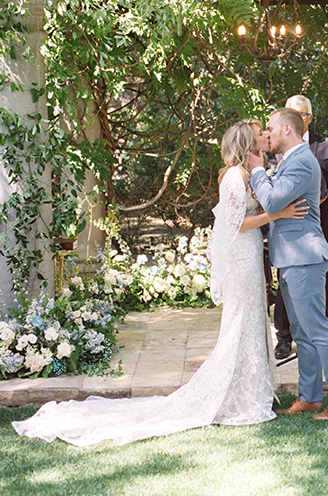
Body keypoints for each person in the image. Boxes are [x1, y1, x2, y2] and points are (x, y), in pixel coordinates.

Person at [12, 119, 308, 446]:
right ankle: (239, 398)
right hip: (241, 257)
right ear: (243, 143)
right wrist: (276, 215)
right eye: (257, 136)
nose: (263, 138)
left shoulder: (246, 172)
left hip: (250, 255)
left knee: (252, 322)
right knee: (242, 323)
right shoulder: (235, 177)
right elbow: (238, 225)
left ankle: (252, 394)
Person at [248, 108, 328, 420]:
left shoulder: (300, 161)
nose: (267, 134)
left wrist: (257, 171)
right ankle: (309, 397)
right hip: (291, 257)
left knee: (318, 329)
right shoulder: (289, 161)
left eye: (270, 128)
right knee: (303, 333)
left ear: (287, 129)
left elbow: (272, 202)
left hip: (305, 257)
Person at [273, 95, 328, 360]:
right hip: (289, 224)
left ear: (310, 118)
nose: (297, 118)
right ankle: (284, 337)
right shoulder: (277, 149)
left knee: (327, 279)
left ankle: (327, 331)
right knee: (286, 282)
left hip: (322, 223)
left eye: (302, 114)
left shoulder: (326, 145)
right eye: (292, 113)